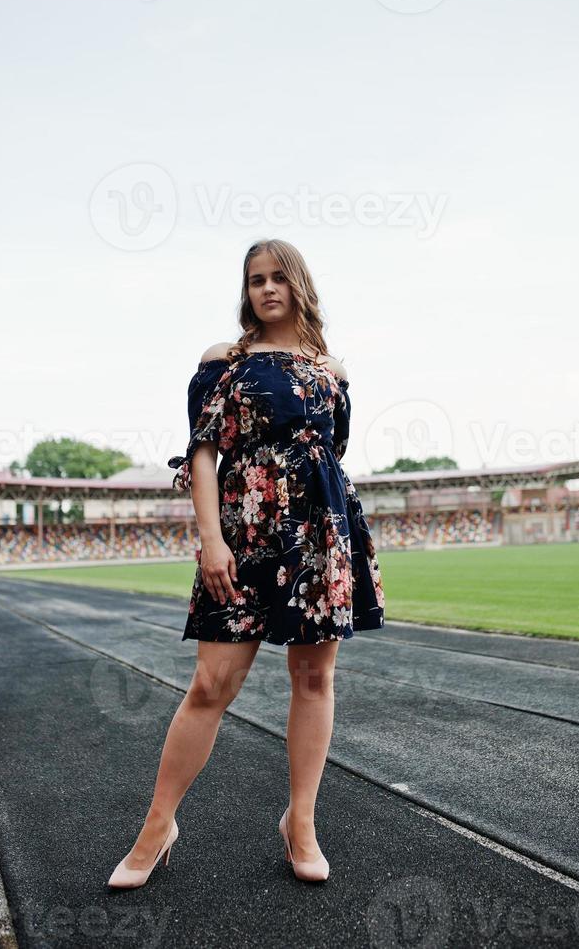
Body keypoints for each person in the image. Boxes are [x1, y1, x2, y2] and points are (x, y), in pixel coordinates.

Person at [108, 238, 385, 888]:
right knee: (210, 685)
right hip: (242, 532)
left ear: (299, 286)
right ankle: (158, 825)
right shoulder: (222, 363)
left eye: (278, 278)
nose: (266, 289)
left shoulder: (332, 370)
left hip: (318, 533)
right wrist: (212, 539)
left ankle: (302, 823)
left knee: (314, 680)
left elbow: (330, 454)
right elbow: (202, 454)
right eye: (256, 279)